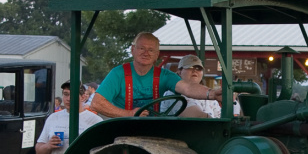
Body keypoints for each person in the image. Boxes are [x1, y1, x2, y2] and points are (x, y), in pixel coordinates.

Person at [90, 32, 222, 118]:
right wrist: (129, 114)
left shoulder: (164, 76)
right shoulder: (118, 74)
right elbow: (97, 103)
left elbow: (187, 88)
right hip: (121, 127)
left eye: (151, 50)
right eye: (142, 48)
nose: (146, 53)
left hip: (152, 128)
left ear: (157, 55)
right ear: (133, 50)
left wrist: (212, 94)